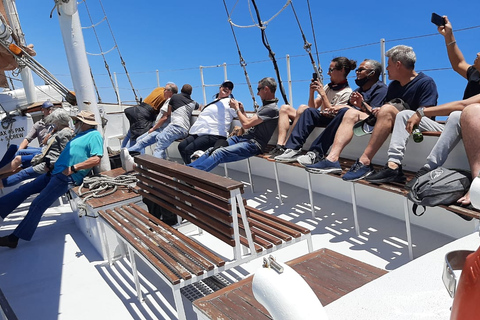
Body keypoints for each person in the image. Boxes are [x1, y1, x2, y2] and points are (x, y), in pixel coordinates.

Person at [0, 110, 104, 248]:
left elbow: (96, 158)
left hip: (65, 177)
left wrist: (73, 169)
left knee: (37, 204)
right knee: (23, 189)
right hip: (54, 172)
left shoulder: (94, 135)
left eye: (76, 121)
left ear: (84, 123)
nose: (74, 124)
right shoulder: (79, 134)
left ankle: (14, 239)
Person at [342, 45, 439, 181]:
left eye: (389, 65)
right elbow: (386, 115)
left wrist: (388, 110)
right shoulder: (394, 86)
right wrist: (365, 106)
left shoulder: (425, 83)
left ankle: (365, 161)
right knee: (382, 110)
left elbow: (426, 113)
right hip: (399, 124)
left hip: (421, 125)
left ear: (398, 64)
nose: (386, 69)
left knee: (387, 109)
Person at [403, 16, 480, 189]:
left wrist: (422, 112)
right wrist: (448, 35)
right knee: (404, 115)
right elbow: (458, 62)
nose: (477, 53)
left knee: (456, 115)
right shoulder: (476, 74)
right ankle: (393, 166)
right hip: (460, 126)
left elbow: (463, 106)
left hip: (475, 131)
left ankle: (428, 168)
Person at [188, 77, 279, 172]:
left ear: (266, 89)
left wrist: (236, 109)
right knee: (212, 149)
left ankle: (194, 173)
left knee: (219, 152)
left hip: (254, 145)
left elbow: (246, 125)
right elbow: (250, 122)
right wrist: (242, 110)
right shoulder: (265, 107)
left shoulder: (271, 108)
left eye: (258, 89)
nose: (257, 93)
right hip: (243, 139)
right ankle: (189, 169)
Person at [271, 57, 355, 160]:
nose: (328, 73)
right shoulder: (328, 87)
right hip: (322, 116)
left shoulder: (347, 92)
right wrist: (312, 92)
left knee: (303, 108)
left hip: (331, 120)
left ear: (341, 70)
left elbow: (334, 113)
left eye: (331, 70)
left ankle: (289, 146)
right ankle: (291, 148)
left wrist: (323, 95)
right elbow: (312, 108)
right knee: (305, 109)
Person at [121, 84, 199, 171]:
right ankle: (126, 153)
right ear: (191, 93)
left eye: (165, 90)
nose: (163, 91)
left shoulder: (174, 98)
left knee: (159, 143)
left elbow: (166, 115)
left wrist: (153, 128)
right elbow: (197, 106)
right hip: (175, 128)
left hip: (172, 127)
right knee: (142, 141)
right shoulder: (192, 102)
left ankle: (156, 170)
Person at [0, 108, 74, 189]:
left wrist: (52, 167)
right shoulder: (58, 130)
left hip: (48, 162)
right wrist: (52, 132)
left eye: (54, 120)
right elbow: (45, 143)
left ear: (58, 120)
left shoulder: (65, 133)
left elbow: (64, 154)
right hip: (44, 155)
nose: (53, 122)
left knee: (20, 168)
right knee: (18, 156)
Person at [178, 80, 236, 164]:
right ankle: (190, 168)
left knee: (188, 150)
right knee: (181, 146)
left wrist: (237, 107)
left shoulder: (230, 102)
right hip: (201, 132)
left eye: (230, 88)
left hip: (214, 134)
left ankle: (192, 171)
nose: (227, 88)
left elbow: (237, 113)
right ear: (220, 87)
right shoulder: (215, 101)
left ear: (230, 92)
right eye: (225, 86)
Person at [0, 101, 54, 173]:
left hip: (48, 150)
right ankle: (3, 168)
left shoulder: (57, 123)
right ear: (42, 110)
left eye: (51, 109)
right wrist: (19, 151)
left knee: (20, 159)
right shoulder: (38, 125)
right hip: (41, 149)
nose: (50, 112)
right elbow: (27, 139)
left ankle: (9, 168)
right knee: (14, 148)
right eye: (47, 109)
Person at [458, 103, 480, 206]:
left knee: (471, 110)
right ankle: (477, 183)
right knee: (457, 115)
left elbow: (463, 104)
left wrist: (421, 113)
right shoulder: (472, 86)